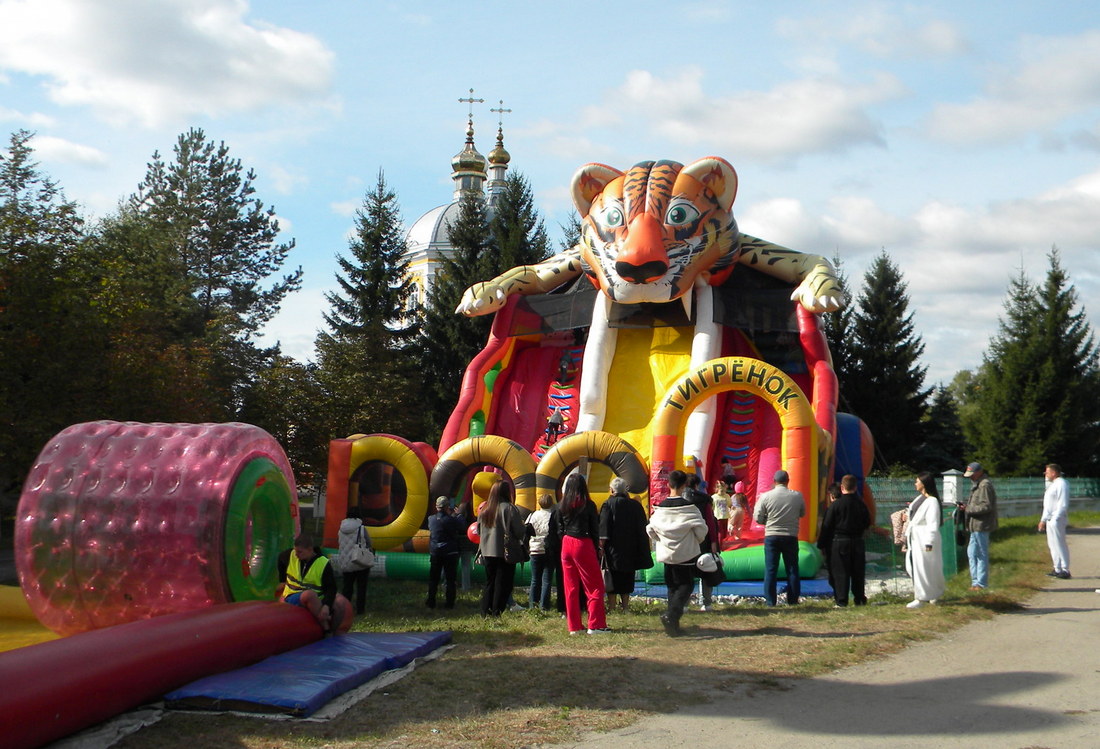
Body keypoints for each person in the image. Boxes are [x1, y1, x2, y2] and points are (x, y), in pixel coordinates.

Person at [647, 470, 707, 636]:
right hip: (685, 553)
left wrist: (660, 540)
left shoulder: (660, 509)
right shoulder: (689, 508)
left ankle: (673, 626)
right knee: (686, 585)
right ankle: (671, 616)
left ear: (669, 484)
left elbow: (650, 529)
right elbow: (701, 529)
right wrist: (695, 540)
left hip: (667, 554)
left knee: (672, 587)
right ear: (684, 485)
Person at [558, 473, 609, 634]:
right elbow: (594, 529)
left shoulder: (562, 504)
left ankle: (574, 626)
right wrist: (597, 548)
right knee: (594, 585)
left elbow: (559, 528)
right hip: (583, 542)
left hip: (566, 542)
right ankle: (595, 624)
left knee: (571, 587)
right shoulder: (588, 505)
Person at [277, 532, 353, 635]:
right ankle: (325, 627)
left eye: (300, 552)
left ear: (310, 550)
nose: (296, 554)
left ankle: (335, 629)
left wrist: (326, 606)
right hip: (292, 595)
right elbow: (280, 559)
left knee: (338, 604)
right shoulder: (290, 555)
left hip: (317, 599)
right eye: (295, 551)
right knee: (309, 595)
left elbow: (331, 588)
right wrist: (282, 580)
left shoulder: (323, 563)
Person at [599, 477, 653, 612]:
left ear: (611, 490)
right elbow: (642, 526)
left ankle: (612, 607)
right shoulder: (635, 505)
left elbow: (604, 528)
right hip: (631, 547)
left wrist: (601, 546)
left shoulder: (608, 504)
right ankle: (625, 607)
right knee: (628, 576)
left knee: (612, 577)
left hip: (613, 547)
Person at [817, 474, 871, 607]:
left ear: (842, 487)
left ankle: (842, 600)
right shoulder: (861, 504)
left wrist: (822, 544)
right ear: (855, 487)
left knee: (840, 572)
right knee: (858, 572)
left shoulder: (836, 506)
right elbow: (867, 522)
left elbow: (827, 526)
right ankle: (859, 598)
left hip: (839, 542)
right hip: (858, 541)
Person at [754, 469, 805, 607]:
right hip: (790, 535)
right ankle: (793, 600)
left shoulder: (765, 496)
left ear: (774, 481)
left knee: (771, 569)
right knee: (792, 569)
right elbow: (802, 513)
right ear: (788, 481)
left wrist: (767, 521)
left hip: (772, 535)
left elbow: (757, 517)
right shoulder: (797, 496)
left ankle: (770, 601)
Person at [478, 481, 526, 616]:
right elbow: (519, 531)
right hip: (505, 551)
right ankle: (497, 610)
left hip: (487, 551)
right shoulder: (509, 508)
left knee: (490, 582)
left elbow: (478, 530)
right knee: (503, 583)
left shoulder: (485, 510)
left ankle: (485, 609)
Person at [902, 471, 945, 608]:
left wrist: (929, 542)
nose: (915, 483)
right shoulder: (919, 499)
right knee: (915, 568)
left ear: (924, 483)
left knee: (927, 568)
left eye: (917, 481)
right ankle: (928, 594)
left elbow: (933, 523)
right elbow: (913, 516)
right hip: (915, 539)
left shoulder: (932, 501)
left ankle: (922, 598)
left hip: (924, 539)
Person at [960, 461, 998, 591]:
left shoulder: (984, 485)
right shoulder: (978, 484)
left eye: (972, 474)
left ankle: (981, 583)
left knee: (981, 554)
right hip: (974, 526)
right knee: (972, 553)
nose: (970, 477)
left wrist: (968, 509)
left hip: (982, 525)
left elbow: (986, 506)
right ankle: (975, 582)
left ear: (979, 472)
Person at [685, 473, 720, 610]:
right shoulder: (704, 500)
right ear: (696, 485)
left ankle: (684, 602)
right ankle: (706, 602)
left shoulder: (681, 499)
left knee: (686, 572)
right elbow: (710, 522)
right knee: (706, 570)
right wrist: (713, 541)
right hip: (703, 540)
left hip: (686, 541)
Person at [427, 496, 465, 609]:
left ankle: (431, 601)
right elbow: (462, 526)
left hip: (435, 552)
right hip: (450, 552)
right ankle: (449, 603)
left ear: (437, 507)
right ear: (447, 507)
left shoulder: (431, 519)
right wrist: (459, 515)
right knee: (450, 580)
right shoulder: (452, 520)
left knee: (433, 579)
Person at [336, 506, 373, 615]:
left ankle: (345, 609)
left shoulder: (341, 528)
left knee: (347, 586)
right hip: (359, 561)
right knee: (361, 587)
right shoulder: (361, 528)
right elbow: (369, 542)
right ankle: (360, 609)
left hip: (345, 561)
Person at [1039, 463, 1071, 579]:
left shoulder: (1062, 484)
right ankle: (1057, 568)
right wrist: (1043, 520)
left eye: (1047, 472)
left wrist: (1056, 518)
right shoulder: (1052, 485)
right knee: (1052, 544)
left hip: (1057, 518)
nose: (1045, 474)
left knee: (1059, 543)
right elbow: (1048, 506)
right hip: (1050, 518)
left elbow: (1063, 503)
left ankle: (1065, 569)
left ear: (1053, 473)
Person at [526, 493, 556, 610]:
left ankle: (533, 603)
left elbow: (527, 529)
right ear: (551, 503)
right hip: (548, 550)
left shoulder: (533, 515)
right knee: (547, 580)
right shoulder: (553, 516)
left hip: (535, 549)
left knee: (535, 579)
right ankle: (544, 605)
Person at [711, 480, 732, 546]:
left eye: (724, 490)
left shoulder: (726, 496)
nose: (722, 492)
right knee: (720, 532)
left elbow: (729, 504)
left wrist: (732, 506)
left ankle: (722, 542)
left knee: (724, 532)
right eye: (721, 490)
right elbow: (712, 507)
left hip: (725, 516)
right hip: (718, 517)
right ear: (717, 489)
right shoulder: (714, 497)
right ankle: (719, 545)